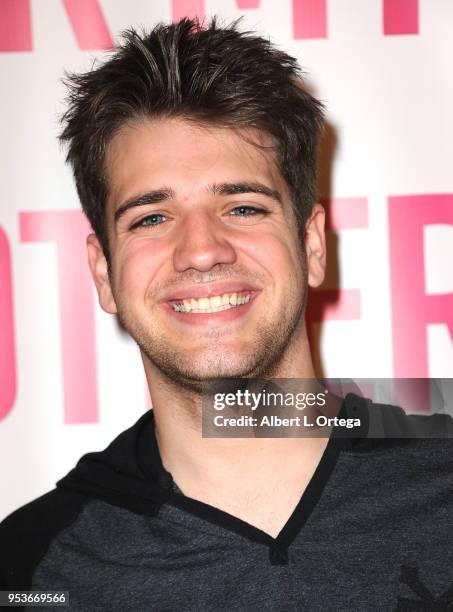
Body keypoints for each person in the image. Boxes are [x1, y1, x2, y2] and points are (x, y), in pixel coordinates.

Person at [1, 18, 452, 611]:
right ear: (104, 273)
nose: (202, 250)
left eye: (242, 206)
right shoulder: (29, 566)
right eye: (152, 218)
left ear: (312, 246)